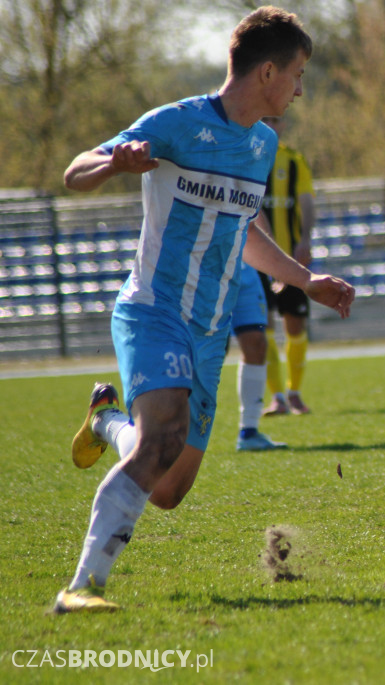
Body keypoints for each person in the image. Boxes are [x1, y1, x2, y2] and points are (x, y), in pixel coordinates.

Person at [54, 6, 354, 613]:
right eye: (297, 75)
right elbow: (73, 173)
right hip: (153, 309)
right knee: (161, 439)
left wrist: (305, 280)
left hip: (208, 330)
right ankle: (81, 588)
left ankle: (107, 421)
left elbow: (244, 232)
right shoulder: (177, 123)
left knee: (166, 488)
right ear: (267, 71)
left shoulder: (263, 143)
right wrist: (115, 161)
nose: (300, 89)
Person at [259, 115, 316, 416]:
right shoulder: (247, 155)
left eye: (276, 120)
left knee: (295, 323)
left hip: (292, 258)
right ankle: (277, 397)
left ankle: (294, 392)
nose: (271, 124)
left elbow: (306, 201)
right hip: (256, 260)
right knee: (262, 325)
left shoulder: (293, 161)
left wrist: (305, 238)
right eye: (265, 119)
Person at [233, 260, 287, 451]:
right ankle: (183, 431)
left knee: (256, 343)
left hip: (244, 267)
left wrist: (277, 265)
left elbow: (255, 229)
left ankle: (249, 431)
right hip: (205, 267)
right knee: (206, 351)